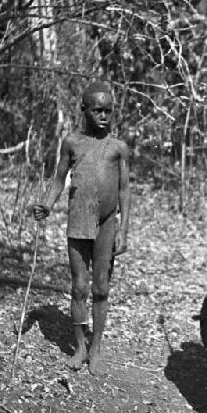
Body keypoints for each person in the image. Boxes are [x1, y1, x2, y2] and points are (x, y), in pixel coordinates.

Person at [34, 81, 130, 375]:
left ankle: (96, 349)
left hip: (106, 224)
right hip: (78, 219)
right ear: (84, 109)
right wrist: (47, 204)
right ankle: (80, 347)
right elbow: (58, 178)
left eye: (109, 111)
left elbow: (125, 189)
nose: (104, 116)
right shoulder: (72, 143)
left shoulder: (118, 147)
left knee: (101, 288)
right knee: (79, 287)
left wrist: (124, 228)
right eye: (98, 110)